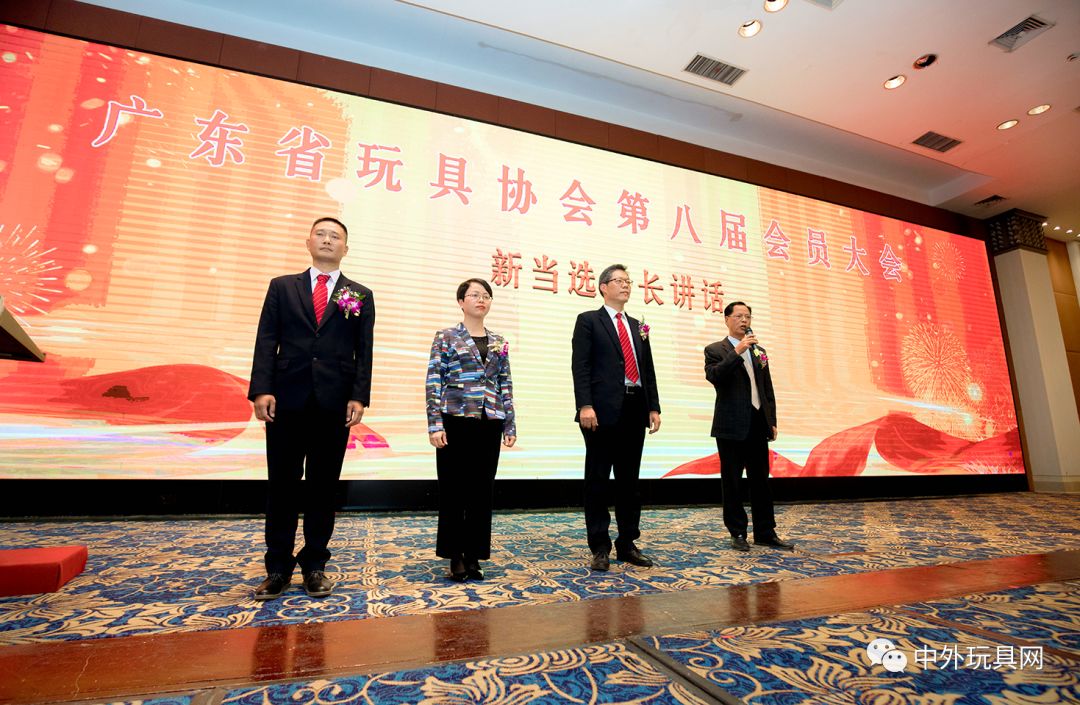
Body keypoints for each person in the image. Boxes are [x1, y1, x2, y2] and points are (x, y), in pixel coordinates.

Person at [248, 216, 375, 599]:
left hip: (334, 403)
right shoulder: (282, 287)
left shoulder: (358, 294)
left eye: (335, 236)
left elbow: (363, 350)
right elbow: (266, 339)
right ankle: (277, 568)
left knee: (323, 487)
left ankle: (315, 565)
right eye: (321, 234)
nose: (327, 240)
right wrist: (262, 389)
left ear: (345, 249)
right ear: (308, 242)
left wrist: (359, 396)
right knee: (282, 485)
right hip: (286, 398)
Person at [571, 264, 661, 572]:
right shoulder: (588, 321)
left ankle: (627, 543)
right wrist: (585, 405)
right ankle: (599, 546)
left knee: (629, 481)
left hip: (635, 408)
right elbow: (581, 366)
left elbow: (647, 369)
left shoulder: (638, 325)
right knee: (597, 480)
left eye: (628, 281)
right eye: (619, 281)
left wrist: (653, 407)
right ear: (603, 287)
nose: (626, 285)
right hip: (600, 411)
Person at [426, 278, 516, 581]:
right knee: (454, 490)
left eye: (486, 295)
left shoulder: (498, 340)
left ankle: (474, 555)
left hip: (489, 421)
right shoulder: (446, 336)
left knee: (481, 491)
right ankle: (455, 555)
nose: (481, 299)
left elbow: (505, 382)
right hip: (455, 419)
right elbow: (434, 380)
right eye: (475, 295)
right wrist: (435, 424)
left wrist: (509, 423)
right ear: (461, 302)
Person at [704, 301, 793, 552]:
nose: (744, 320)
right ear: (727, 319)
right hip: (731, 425)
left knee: (761, 481)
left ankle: (765, 532)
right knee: (732, 481)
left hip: (757, 423)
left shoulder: (759, 351)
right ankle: (738, 532)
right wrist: (737, 351)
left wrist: (771, 420)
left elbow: (767, 388)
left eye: (748, 316)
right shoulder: (715, 349)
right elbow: (715, 376)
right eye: (739, 316)